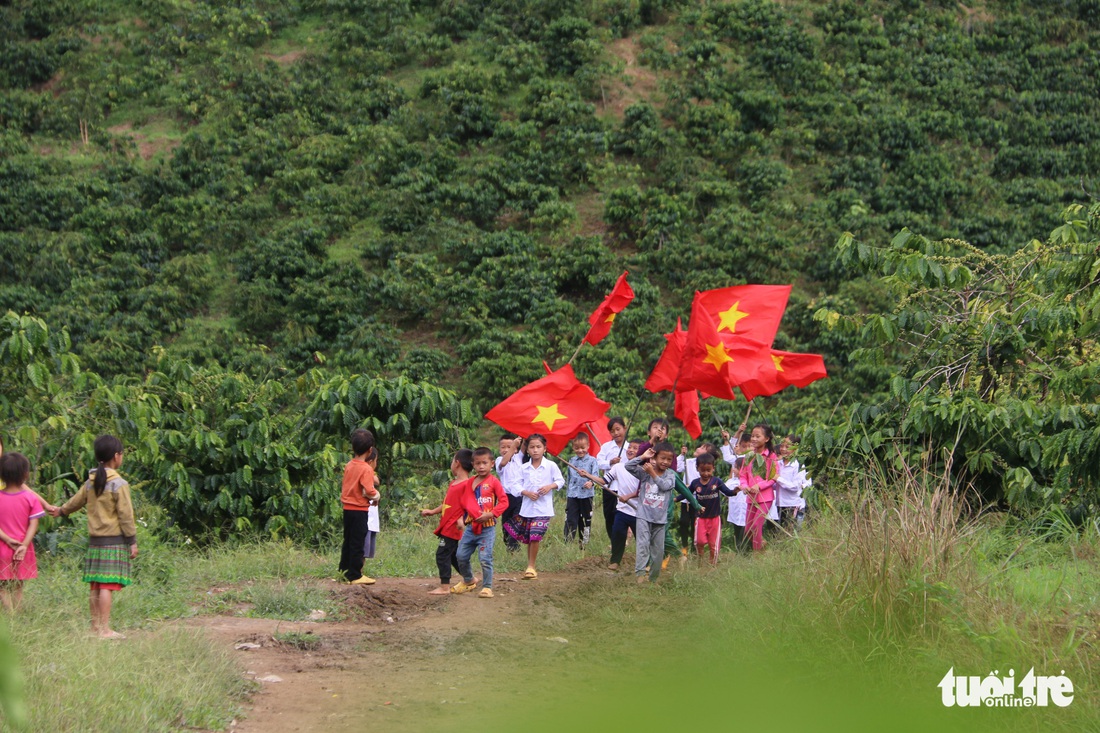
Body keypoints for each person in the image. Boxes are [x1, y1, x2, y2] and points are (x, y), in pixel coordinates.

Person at [51, 435, 137, 639]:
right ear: (117, 456)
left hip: (95, 542)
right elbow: (126, 514)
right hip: (114, 541)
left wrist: (61, 511)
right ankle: (105, 629)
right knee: (107, 585)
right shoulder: (119, 483)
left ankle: (95, 628)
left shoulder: (90, 482)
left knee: (96, 586)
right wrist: (132, 540)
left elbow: (75, 502)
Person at [503, 434, 564, 580]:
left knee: (536, 535)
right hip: (527, 508)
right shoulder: (524, 468)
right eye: (532, 447)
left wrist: (550, 486)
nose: (535, 450)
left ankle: (531, 566)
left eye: (538, 447)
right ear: (527, 450)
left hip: (544, 509)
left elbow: (560, 481)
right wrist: (526, 492)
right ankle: (530, 565)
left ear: (544, 449)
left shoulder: (551, 466)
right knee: (530, 537)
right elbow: (515, 485)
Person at [452, 448, 509, 598]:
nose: (481, 466)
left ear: (492, 464)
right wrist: (462, 519)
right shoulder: (469, 482)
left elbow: (504, 502)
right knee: (461, 555)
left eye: (485, 463)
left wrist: (491, 514)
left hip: (487, 528)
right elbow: (464, 502)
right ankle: (468, 580)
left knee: (485, 558)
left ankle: (487, 587)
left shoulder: (494, 482)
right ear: (473, 465)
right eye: (478, 463)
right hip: (471, 527)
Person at [578, 440, 640, 571]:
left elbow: (643, 490)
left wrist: (629, 496)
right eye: (630, 447)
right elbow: (604, 481)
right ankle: (615, 561)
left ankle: (645, 563)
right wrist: (588, 475)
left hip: (638, 511)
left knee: (641, 540)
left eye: (635, 448)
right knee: (617, 534)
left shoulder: (643, 470)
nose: (631, 450)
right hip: (622, 509)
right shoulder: (618, 467)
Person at [421, 449, 474, 595]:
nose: (451, 463)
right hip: (447, 525)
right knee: (453, 555)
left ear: (457, 463)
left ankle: (444, 587)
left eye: (452, 460)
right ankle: (469, 578)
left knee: (442, 554)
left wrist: (463, 520)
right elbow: (447, 503)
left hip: (453, 526)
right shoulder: (454, 483)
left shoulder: (467, 484)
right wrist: (432, 511)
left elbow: (471, 506)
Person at [624, 442, 677, 583]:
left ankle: (653, 578)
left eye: (669, 459)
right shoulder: (645, 472)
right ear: (655, 457)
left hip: (660, 520)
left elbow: (665, 486)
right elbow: (628, 466)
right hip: (643, 516)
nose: (665, 462)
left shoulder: (670, 476)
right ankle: (640, 575)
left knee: (658, 552)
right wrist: (642, 456)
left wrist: (652, 473)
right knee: (642, 545)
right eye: (662, 458)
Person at [0, 453, 47, 612]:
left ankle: (9, 614)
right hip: (22, 546)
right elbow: (34, 524)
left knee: (3, 585)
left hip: (2, 547)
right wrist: (24, 545)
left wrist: (7, 539)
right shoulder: (30, 498)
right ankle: (18, 612)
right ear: (25, 474)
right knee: (18, 584)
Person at [339, 429, 379, 585]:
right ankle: (355, 574)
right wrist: (376, 496)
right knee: (358, 542)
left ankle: (344, 571)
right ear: (370, 450)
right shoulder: (366, 469)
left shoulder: (349, 465)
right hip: (359, 510)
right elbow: (368, 490)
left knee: (348, 541)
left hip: (347, 508)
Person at [689, 453, 735, 565]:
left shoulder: (717, 482)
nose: (706, 473)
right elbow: (687, 494)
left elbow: (727, 492)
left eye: (708, 470)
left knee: (713, 544)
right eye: (702, 470)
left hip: (715, 518)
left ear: (713, 469)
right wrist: (676, 498)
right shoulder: (695, 483)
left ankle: (712, 565)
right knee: (699, 541)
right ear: (697, 469)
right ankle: (700, 559)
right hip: (700, 518)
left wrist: (735, 491)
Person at [740, 424, 779, 552]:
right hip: (751, 497)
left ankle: (757, 556)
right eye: (752, 436)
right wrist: (745, 486)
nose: (754, 439)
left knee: (756, 526)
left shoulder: (771, 456)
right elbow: (743, 475)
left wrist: (759, 485)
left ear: (766, 439)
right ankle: (761, 544)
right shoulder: (749, 455)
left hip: (765, 498)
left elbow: (774, 476)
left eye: (758, 436)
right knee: (748, 529)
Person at [563, 433, 598, 547]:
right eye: (577, 448)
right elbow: (569, 479)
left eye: (583, 448)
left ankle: (584, 543)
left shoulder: (592, 461)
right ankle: (568, 543)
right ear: (573, 447)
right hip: (573, 495)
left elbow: (596, 476)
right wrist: (568, 494)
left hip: (586, 495)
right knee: (570, 519)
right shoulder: (571, 461)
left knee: (585, 520)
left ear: (588, 446)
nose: (580, 450)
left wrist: (591, 482)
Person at [595, 416, 627, 539]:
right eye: (612, 431)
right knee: (609, 516)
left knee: (623, 515)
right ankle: (613, 541)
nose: (616, 433)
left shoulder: (630, 447)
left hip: (625, 488)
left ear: (624, 428)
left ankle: (622, 541)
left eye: (618, 429)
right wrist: (610, 462)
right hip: (609, 487)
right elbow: (598, 462)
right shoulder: (606, 447)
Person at [495, 434, 524, 551]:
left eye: (509, 446)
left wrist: (521, 439)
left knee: (517, 521)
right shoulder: (499, 460)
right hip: (505, 497)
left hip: (519, 496)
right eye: (503, 447)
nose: (506, 449)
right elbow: (503, 463)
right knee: (506, 522)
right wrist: (513, 447)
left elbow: (525, 444)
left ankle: (514, 546)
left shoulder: (520, 458)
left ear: (517, 448)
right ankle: (508, 544)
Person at [725, 433, 753, 551]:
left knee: (748, 530)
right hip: (736, 512)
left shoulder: (750, 479)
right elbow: (724, 490)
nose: (734, 470)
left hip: (747, 512)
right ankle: (739, 550)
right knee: (737, 530)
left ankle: (749, 550)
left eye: (736, 468)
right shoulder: (732, 482)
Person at [775, 435, 807, 528]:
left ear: (795, 448)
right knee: (780, 531)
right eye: (782, 446)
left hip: (792, 504)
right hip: (780, 503)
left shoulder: (798, 465)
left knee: (791, 531)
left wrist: (778, 478)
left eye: (787, 447)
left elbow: (795, 487)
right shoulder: (778, 464)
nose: (783, 449)